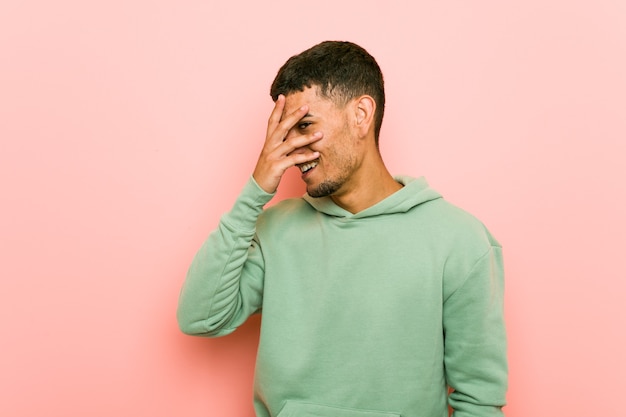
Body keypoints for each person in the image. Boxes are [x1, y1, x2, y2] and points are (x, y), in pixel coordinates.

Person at [177, 40, 507, 417]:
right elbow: (200, 317)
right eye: (284, 133)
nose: (291, 147)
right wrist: (254, 193)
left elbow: (478, 403)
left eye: (304, 126)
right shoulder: (276, 229)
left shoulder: (460, 241)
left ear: (361, 115)